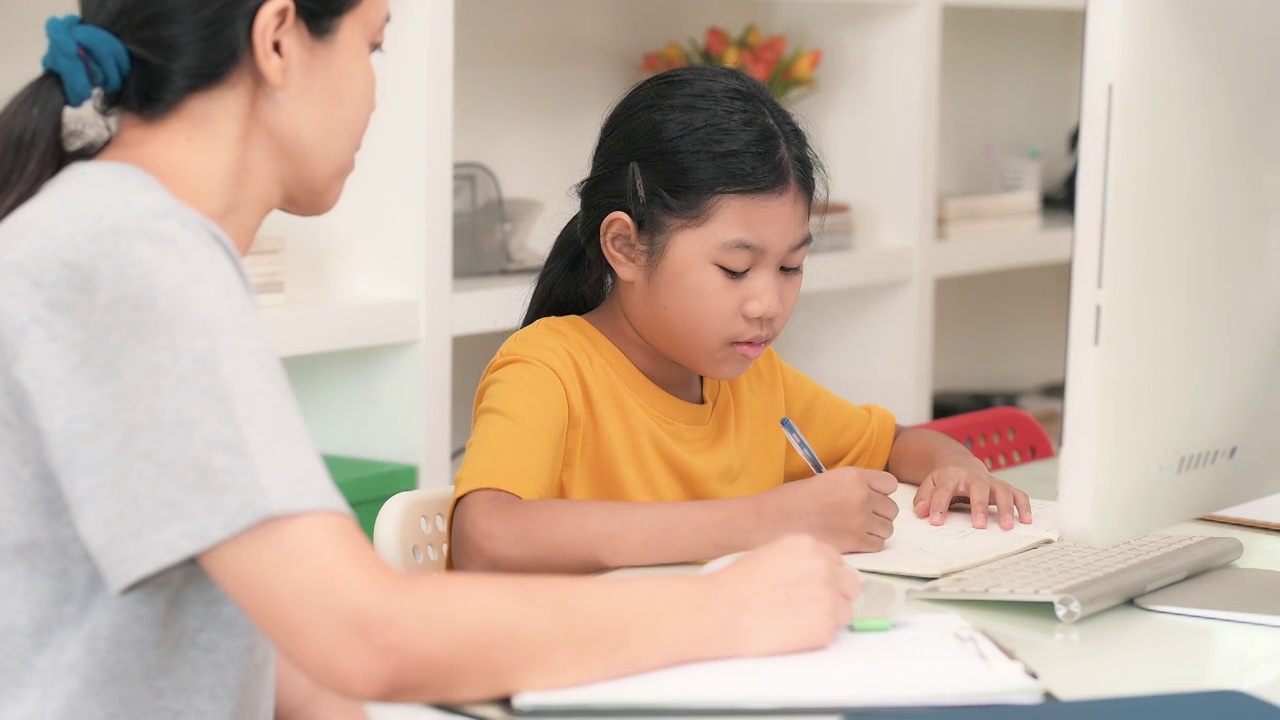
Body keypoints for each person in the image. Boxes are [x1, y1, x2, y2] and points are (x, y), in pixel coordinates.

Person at [0, 3, 863, 718]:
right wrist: (723, 611)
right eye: (372, 45)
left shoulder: (136, 244)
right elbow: (363, 635)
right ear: (276, 40)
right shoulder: (124, 259)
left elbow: (282, 648)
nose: (375, 92)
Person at [449, 65, 1034, 575]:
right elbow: (486, 537)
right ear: (626, 246)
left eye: (791, 266)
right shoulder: (549, 367)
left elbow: (895, 444)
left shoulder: (756, 379)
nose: (768, 305)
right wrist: (763, 520)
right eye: (735, 268)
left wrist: (956, 466)